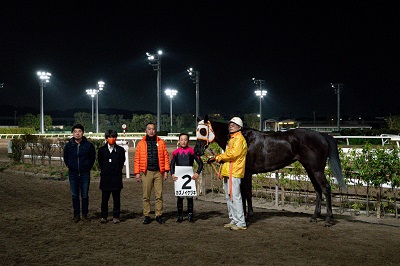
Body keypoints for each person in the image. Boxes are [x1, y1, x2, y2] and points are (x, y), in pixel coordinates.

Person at [207, 117, 248, 230]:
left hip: (234, 172)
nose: (231, 125)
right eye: (230, 124)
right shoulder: (231, 139)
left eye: (234, 124)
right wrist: (216, 157)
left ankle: (241, 223)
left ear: (239, 127)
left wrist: (218, 158)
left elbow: (232, 155)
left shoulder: (239, 139)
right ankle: (234, 220)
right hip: (228, 171)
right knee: (229, 197)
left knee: (235, 197)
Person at [134, 122, 170, 224]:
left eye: (153, 129)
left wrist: (166, 171)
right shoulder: (140, 144)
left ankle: (159, 215)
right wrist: (137, 173)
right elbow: (137, 159)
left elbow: (166, 157)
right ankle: (146, 215)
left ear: (155, 130)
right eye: (149, 129)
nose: (151, 131)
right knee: (146, 196)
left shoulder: (161, 142)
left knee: (159, 195)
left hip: (159, 173)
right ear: (146, 130)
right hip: (146, 173)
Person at [64, 124, 96, 223]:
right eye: (75, 131)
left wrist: (87, 167)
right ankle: (76, 215)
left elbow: (92, 158)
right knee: (74, 195)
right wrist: (70, 166)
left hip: (84, 174)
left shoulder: (89, 145)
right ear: (73, 133)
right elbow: (66, 158)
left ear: (83, 132)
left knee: (85, 195)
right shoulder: (68, 146)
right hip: (73, 174)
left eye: (79, 131)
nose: (77, 133)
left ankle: (84, 215)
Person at [170, 133, 203, 223]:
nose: (183, 141)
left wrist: (197, 173)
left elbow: (200, 163)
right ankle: (180, 215)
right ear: (179, 141)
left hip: (190, 179)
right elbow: (172, 165)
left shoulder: (191, 151)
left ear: (188, 141)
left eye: (185, 140)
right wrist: (172, 174)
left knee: (189, 198)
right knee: (180, 198)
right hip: (179, 178)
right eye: (182, 139)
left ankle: (190, 215)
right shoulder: (175, 152)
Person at [98, 129, 126, 224]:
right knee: (104, 199)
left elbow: (121, 163)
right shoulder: (101, 150)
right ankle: (104, 216)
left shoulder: (120, 150)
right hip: (105, 178)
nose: (112, 139)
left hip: (116, 178)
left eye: (114, 137)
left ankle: (116, 216)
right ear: (106, 138)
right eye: (110, 137)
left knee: (116, 199)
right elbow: (100, 163)